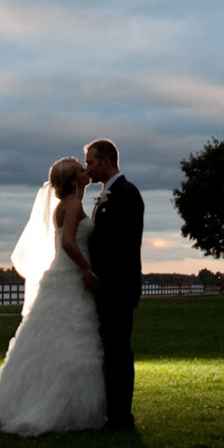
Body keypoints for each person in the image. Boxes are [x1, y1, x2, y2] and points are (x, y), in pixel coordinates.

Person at [0, 158, 106, 436]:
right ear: (74, 179)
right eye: (81, 169)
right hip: (71, 276)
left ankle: (26, 400)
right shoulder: (72, 205)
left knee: (50, 340)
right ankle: (55, 406)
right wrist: (87, 269)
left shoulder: (68, 203)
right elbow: (68, 242)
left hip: (61, 275)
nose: (87, 171)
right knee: (69, 339)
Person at [83, 138, 144, 431]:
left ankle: (122, 417)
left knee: (119, 352)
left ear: (106, 161)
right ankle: (113, 411)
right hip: (107, 289)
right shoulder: (108, 194)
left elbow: (122, 246)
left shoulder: (127, 194)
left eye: (91, 162)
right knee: (110, 350)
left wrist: (97, 275)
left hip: (118, 289)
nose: (88, 168)